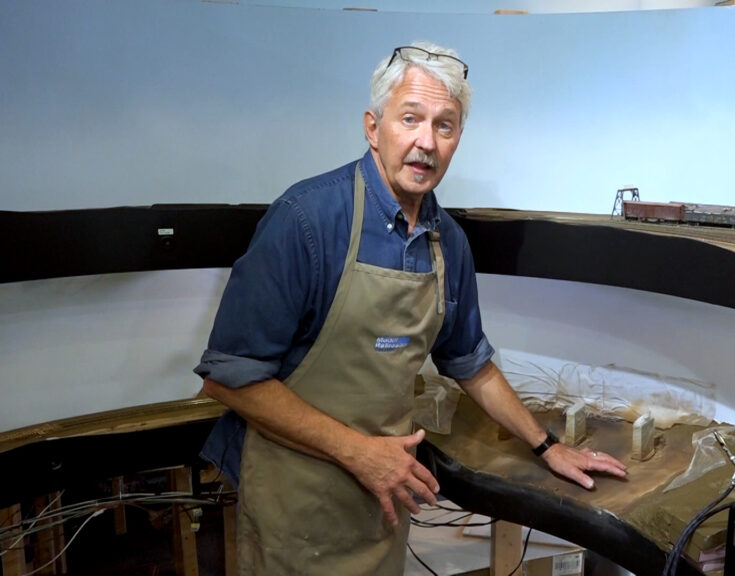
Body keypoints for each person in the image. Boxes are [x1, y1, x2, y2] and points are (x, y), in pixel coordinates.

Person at [194, 41, 628, 576]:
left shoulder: (449, 243)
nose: (426, 142)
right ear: (373, 128)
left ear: (458, 140)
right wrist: (360, 453)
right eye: (410, 119)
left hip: (381, 501)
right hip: (295, 501)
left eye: (445, 126)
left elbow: (469, 360)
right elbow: (230, 378)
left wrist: (548, 447)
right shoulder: (305, 222)